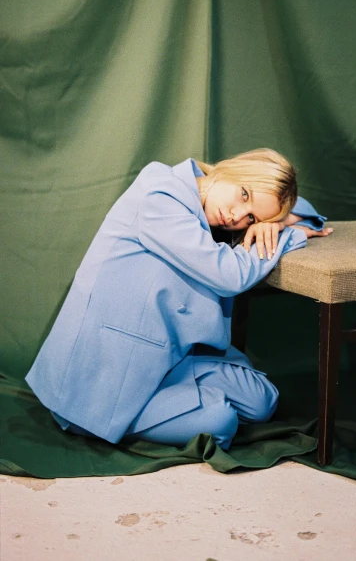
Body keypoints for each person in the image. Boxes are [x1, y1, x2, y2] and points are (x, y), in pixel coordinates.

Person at [26, 149, 332, 451]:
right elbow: (228, 275)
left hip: (168, 354)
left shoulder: (215, 210)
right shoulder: (161, 194)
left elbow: (305, 209)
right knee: (221, 421)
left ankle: (177, 398)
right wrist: (288, 236)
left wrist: (272, 223)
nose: (237, 216)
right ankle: (120, 416)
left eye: (250, 217)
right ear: (233, 170)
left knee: (262, 401)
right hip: (103, 373)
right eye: (243, 194)